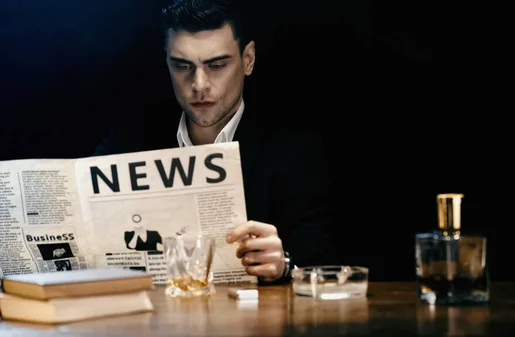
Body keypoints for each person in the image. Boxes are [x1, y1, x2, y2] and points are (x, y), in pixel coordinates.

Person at [93, 0, 337, 284]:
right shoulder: (130, 139)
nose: (199, 84)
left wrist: (284, 264)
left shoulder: (293, 149)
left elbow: (324, 262)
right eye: (182, 66)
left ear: (248, 60)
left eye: (217, 65)